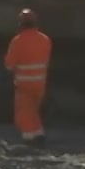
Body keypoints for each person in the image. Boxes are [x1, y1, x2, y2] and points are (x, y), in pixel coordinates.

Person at [4, 8, 52, 148]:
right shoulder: (45, 39)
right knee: (33, 112)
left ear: (20, 24)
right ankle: (39, 135)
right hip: (40, 83)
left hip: (24, 85)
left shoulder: (17, 41)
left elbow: (9, 65)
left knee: (23, 115)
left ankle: (29, 140)